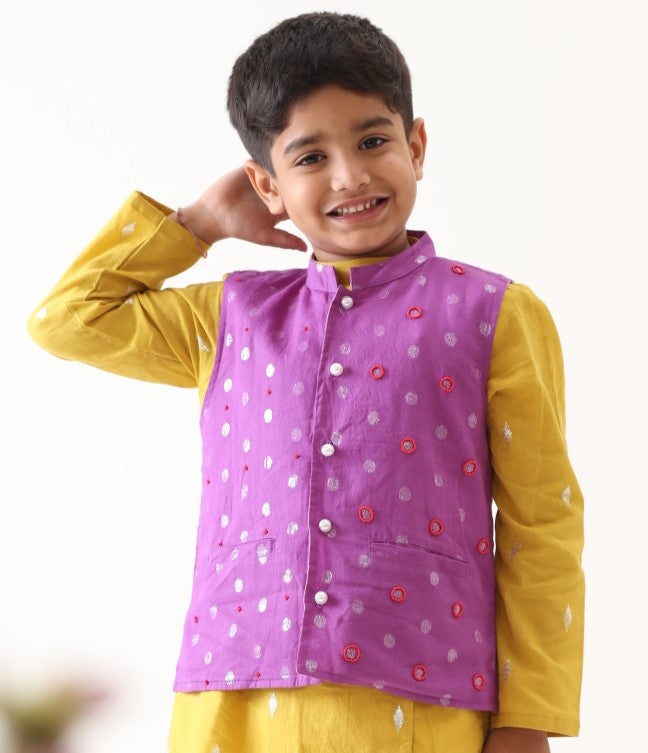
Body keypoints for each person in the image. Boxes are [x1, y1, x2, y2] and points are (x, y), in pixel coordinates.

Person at [27, 12, 584, 753]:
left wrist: (528, 717)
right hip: (230, 699)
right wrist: (199, 222)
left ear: (417, 146)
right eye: (310, 157)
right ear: (268, 184)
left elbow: (541, 526)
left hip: (418, 698)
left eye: (373, 141)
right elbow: (66, 320)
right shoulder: (230, 317)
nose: (350, 176)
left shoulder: (493, 314)